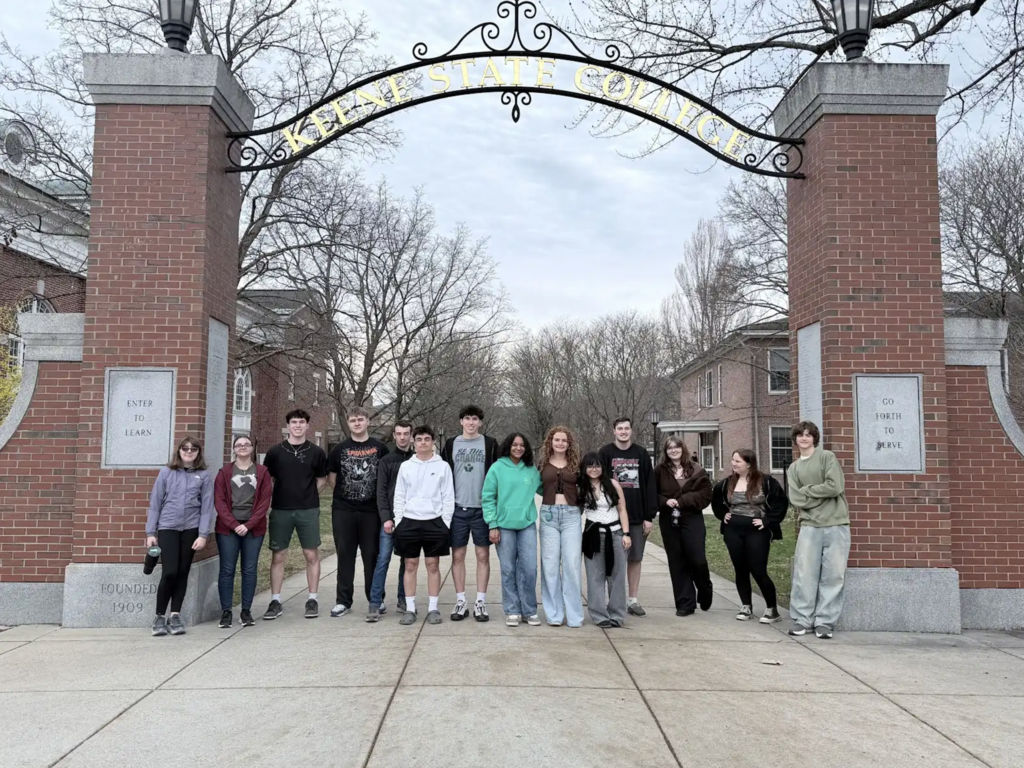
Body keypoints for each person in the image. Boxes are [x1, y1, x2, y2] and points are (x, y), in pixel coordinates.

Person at [262, 409, 329, 621]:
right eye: (294, 422)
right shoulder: (275, 452)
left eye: (301, 422)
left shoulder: (316, 452)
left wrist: (307, 495)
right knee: (278, 555)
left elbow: (322, 479)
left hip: (307, 510)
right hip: (281, 510)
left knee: (311, 555)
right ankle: (275, 600)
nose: (298, 425)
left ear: (307, 425)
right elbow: (268, 481)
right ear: (288, 426)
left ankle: (312, 599)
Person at [786, 421, 850, 640]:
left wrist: (808, 491)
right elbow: (796, 499)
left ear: (815, 438)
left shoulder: (826, 457)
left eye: (808, 435)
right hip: (810, 526)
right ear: (795, 439)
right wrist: (814, 496)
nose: (804, 438)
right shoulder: (794, 468)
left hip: (836, 523)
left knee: (833, 575)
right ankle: (803, 619)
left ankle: (825, 621)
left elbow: (835, 486)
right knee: (805, 574)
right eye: (800, 435)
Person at [146, 436, 214, 637]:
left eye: (193, 449)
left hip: (191, 529)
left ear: (198, 452)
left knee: (183, 572)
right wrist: (151, 532)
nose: (189, 451)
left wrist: (203, 535)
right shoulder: (166, 472)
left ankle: (175, 615)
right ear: (179, 451)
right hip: (167, 527)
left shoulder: (204, 476)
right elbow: (155, 503)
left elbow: (207, 508)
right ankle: (159, 616)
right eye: (185, 448)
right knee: (170, 571)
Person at [711, 449, 788, 623]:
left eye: (737, 461)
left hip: (757, 532)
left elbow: (780, 503)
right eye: (733, 460)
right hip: (733, 531)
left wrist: (767, 521)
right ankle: (746, 606)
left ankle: (772, 610)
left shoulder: (766, 482)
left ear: (749, 463)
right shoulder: (727, 483)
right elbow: (716, 501)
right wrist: (723, 514)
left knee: (758, 569)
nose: (733, 464)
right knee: (740, 569)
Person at [327, 407, 389, 618]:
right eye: (353, 420)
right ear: (348, 423)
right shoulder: (339, 449)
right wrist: (347, 495)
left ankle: (376, 599)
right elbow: (332, 478)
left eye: (360, 419)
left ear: (367, 422)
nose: (356, 423)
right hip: (344, 510)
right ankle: (343, 601)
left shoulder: (380, 448)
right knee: (345, 555)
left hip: (371, 511)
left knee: (372, 556)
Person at [441, 405, 499, 622]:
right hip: (457, 509)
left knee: (483, 555)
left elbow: (496, 476)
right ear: (461, 421)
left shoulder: (490, 444)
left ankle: (481, 602)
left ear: (480, 422)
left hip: (482, 510)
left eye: (475, 419)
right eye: (467, 418)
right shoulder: (450, 444)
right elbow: (444, 476)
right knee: (458, 556)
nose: (471, 422)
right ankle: (461, 600)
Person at [393, 425, 455, 625]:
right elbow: (399, 495)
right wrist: (399, 520)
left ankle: (433, 607)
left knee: (432, 565)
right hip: (409, 522)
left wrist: (445, 522)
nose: (422, 443)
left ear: (433, 441)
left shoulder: (442, 466)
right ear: (413, 441)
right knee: (410, 565)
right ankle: (410, 608)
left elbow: (448, 496)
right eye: (419, 439)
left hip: (434, 522)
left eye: (427, 439)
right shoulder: (406, 466)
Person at [482, 432, 541, 627]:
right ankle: (512, 609)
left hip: (527, 525)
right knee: (508, 569)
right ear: (508, 446)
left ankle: (529, 610)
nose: (518, 448)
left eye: (522, 445)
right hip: (504, 526)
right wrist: (492, 524)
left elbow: (546, 489)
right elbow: (488, 497)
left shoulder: (532, 470)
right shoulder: (497, 468)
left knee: (529, 568)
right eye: (514, 444)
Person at [599, 417, 657, 616]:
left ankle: (632, 600)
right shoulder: (605, 453)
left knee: (635, 558)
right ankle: (613, 601)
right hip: (611, 517)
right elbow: (598, 482)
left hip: (637, 516)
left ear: (631, 431)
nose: (623, 431)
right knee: (613, 561)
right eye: (619, 428)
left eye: (626, 428)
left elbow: (650, 485)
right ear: (614, 431)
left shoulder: (641, 454)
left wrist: (649, 516)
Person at [214, 435, 273, 628]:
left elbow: (264, 502)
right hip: (227, 528)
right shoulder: (224, 472)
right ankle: (226, 612)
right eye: (239, 445)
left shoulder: (262, 472)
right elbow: (220, 502)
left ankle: (246, 611)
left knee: (249, 569)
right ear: (233, 449)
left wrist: (248, 525)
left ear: (252, 448)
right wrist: (233, 524)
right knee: (227, 570)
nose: (243, 447)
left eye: (246, 444)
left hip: (253, 528)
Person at [655, 436, 714, 616]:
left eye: (677, 447)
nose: (673, 450)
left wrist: (683, 500)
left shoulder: (696, 470)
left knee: (697, 558)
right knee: (677, 561)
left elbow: (705, 495)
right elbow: (651, 494)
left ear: (683, 449)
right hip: (669, 520)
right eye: (669, 448)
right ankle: (685, 603)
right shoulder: (659, 471)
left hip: (691, 518)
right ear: (665, 452)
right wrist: (666, 501)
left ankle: (704, 588)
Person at [367, 420, 414, 622]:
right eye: (399, 433)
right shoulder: (386, 461)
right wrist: (386, 518)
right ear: (394, 436)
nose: (402, 437)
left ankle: (403, 599)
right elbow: (381, 494)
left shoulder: (417, 460)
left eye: (406, 433)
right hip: (390, 521)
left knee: (407, 562)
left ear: (411, 436)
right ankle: (375, 603)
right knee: (383, 560)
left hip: (411, 520)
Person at [538, 425, 584, 628]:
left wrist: (581, 507)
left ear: (569, 443)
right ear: (551, 442)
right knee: (549, 566)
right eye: (556, 440)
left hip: (571, 516)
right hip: (548, 515)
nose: (560, 443)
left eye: (564, 440)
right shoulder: (542, 464)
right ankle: (554, 614)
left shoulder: (576, 464)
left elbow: (587, 487)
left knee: (572, 564)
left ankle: (574, 615)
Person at [578, 453, 631, 628]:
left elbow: (622, 510)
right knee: (595, 576)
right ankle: (599, 615)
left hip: (615, 534)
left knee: (617, 575)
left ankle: (617, 614)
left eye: (597, 465)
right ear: (585, 468)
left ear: (603, 467)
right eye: (590, 466)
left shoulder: (613, 484)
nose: (594, 469)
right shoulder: (582, 487)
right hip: (593, 534)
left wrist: (626, 534)